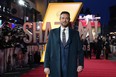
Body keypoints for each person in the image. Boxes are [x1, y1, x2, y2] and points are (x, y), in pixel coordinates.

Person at [44, 11, 84, 77]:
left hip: (71, 67)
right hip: (55, 67)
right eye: (63, 18)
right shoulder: (52, 33)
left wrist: (80, 64)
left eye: (66, 18)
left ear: (69, 19)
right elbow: (48, 51)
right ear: (60, 19)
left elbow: (80, 51)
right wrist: (46, 66)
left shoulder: (75, 33)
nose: (64, 20)